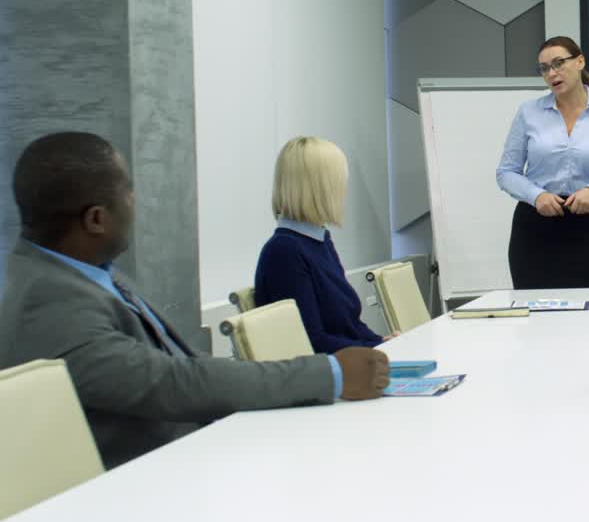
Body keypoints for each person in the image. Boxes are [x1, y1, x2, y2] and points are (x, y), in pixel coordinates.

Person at [0, 133, 389, 469]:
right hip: (154, 482)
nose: (135, 203)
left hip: (192, 453)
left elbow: (182, 367)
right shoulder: (49, 302)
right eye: (129, 194)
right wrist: (331, 374)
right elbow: (173, 383)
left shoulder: (90, 272)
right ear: (97, 220)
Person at [497, 36, 589, 288]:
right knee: (533, 315)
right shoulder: (528, 113)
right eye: (544, 68)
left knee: (582, 314)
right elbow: (507, 172)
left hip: (585, 227)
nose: (552, 73)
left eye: (559, 63)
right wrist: (536, 195)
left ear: (580, 61)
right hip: (534, 225)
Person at [255, 137, 391, 353]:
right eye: (339, 182)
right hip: (327, 378)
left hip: (348, 366)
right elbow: (312, 342)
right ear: (321, 189)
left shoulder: (320, 241)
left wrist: (383, 341)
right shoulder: (284, 252)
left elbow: (349, 325)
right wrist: (376, 349)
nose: (344, 190)